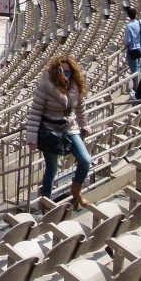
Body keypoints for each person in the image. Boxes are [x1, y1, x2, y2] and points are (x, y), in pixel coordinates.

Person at [26, 55, 93, 208]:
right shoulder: (45, 85)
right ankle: (46, 202)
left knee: (85, 160)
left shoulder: (76, 86)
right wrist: (32, 138)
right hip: (50, 130)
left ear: (73, 73)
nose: (63, 74)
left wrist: (84, 124)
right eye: (60, 71)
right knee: (52, 169)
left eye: (67, 72)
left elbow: (80, 108)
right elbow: (35, 112)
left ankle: (76, 190)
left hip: (69, 127)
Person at [123, 6, 141, 98]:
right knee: (138, 67)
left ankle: (137, 88)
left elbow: (128, 41)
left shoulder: (129, 26)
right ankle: (139, 85)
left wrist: (124, 46)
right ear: (136, 14)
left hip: (133, 50)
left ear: (128, 16)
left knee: (134, 70)